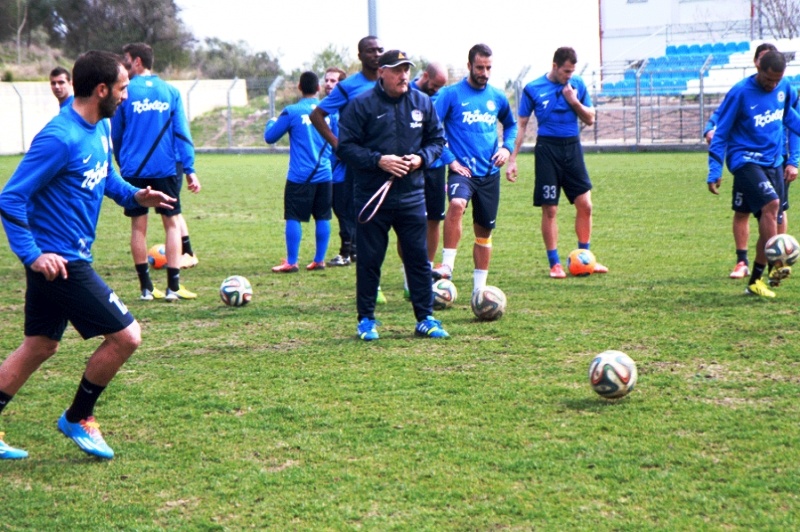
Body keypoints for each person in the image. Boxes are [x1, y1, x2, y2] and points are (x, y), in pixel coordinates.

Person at [0, 50, 176, 460]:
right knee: (127, 336)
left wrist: (135, 195)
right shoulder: (59, 137)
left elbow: (106, 176)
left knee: (40, 346)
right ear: (101, 90)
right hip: (61, 263)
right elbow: (10, 197)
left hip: (68, 258)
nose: (127, 96)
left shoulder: (101, 127)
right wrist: (33, 255)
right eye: (122, 88)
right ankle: (79, 416)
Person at [337, 50, 449, 341]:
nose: (403, 76)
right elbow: (345, 148)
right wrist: (379, 160)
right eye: (397, 70)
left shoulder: (422, 102)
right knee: (369, 260)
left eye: (406, 70)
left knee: (418, 260)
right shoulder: (362, 104)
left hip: (412, 196)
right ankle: (366, 321)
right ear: (382, 72)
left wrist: (421, 159)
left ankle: (425, 318)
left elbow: (437, 140)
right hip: (373, 197)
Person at [506, 46, 607, 279]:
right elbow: (521, 125)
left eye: (572, 71)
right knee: (550, 208)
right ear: (554, 66)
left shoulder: (577, 85)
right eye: (565, 71)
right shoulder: (533, 88)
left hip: (572, 148)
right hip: (547, 150)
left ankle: (585, 258)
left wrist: (574, 101)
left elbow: (590, 118)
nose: (569, 76)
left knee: (585, 205)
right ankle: (555, 264)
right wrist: (512, 159)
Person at [111, 42, 201, 302]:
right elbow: (182, 133)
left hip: (134, 169)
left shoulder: (125, 91)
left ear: (138, 61)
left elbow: (117, 132)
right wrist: (190, 168)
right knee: (171, 224)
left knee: (138, 226)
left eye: (127, 59)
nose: (124, 64)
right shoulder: (170, 92)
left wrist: (121, 161)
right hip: (165, 168)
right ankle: (173, 287)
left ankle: (146, 289)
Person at [707, 50, 800, 298]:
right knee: (772, 205)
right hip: (745, 159)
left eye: (777, 81)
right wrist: (714, 170)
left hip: (773, 161)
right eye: (768, 80)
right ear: (758, 69)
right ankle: (776, 265)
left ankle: (756, 281)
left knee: (771, 219)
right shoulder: (740, 92)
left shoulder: (784, 88)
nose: (772, 85)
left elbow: (788, 116)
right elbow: (721, 132)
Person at [431, 44, 518, 295]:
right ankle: (447, 265)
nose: (485, 73)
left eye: (488, 68)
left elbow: (511, 125)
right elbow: (432, 127)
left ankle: (479, 291)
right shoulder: (451, 94)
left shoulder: (497, 96)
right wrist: (449, 159)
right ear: (469, 66)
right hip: (462, 171)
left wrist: (506, 149)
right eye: (480, 67)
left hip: (489, 173)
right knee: (457, 204)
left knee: (484, 233)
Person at [310, 35, 389, 303]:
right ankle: (373, 287)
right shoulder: (348, 87)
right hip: (362, 166)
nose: (376, 54)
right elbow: (317, 115)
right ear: (360, 56)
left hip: (391, 165)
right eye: (371, 50)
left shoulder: (390, 81)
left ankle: (409, 283)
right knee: (368, 227)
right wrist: (339, 145)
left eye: (380, 49)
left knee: (404, 226)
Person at [265, 71, 332, 272]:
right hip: (325, 174)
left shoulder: (292, 111)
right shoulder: (330, 112)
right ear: (318, 88)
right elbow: (338, 140)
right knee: (323, 216)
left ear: (299, 88)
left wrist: (271, 122)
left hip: (300, 175)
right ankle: (319, 260)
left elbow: (270, 137)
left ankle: (292, 262)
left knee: (293, 216)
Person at [399, 62, 450, 298]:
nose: (436, 90)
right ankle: (408, 274)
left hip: (435, 167)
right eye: (435, 85)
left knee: (434, 219)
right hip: (409, 167)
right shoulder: (405, 92)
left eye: (441, 87)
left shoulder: (441, 97)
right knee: (406, 222)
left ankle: (425, 272)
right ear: (425, 75)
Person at [321, 67, 352, 267]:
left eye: (333, 81)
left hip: (342, 172)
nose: (328, 84)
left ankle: (346, 253)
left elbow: (342, 146)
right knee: (344, 211)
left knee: (343, 211)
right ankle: (353, 250)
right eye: (327, 80)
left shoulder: (342, 110)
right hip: (333, 170)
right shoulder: (329, 108)